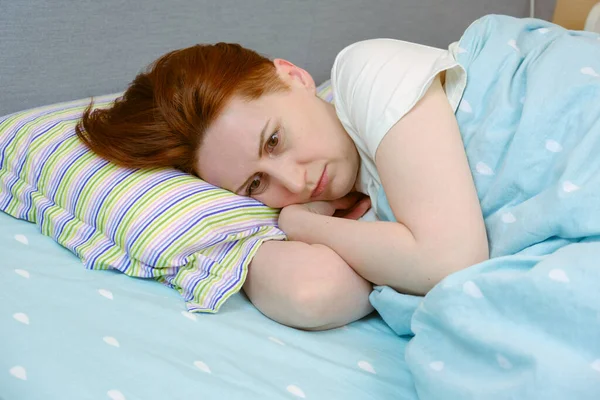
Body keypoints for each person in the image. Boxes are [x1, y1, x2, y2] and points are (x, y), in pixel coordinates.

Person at [75, 17, 505, 330]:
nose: (294, 183)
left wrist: (299, 222)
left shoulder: (369, 71)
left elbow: (450, 261)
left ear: (294, 77)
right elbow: (312, 295)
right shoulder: (363, 206)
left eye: (274, 140)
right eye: (256, 184)